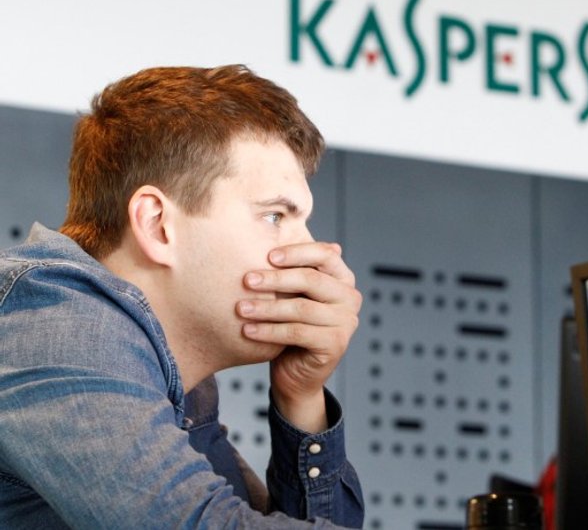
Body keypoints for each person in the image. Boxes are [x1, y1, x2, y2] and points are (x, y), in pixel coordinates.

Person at [0, 65, 363, 528]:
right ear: (157, 225)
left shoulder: (180, 385)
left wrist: (302, 397)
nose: (311, 253)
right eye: (275, 217)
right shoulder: (50, 318)